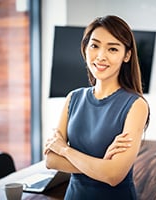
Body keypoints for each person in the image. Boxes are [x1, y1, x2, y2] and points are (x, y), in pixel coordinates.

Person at [44, 15, 150, 200]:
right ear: (85, 49)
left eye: (112, 48)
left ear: (127, 55)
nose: (101, 56)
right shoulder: (73, 98)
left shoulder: (136, 105)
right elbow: (51, 160)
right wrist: (101, 166)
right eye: (94, 45)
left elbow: (114, 176)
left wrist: (65, 150)